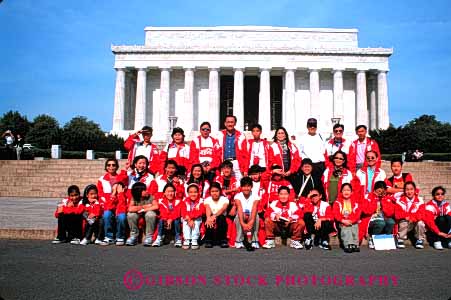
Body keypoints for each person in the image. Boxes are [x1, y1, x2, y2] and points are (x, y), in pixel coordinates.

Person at [360, 181, 396, 248]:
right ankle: (372, 239)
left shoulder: (386, 198)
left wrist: (383, 201)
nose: (380, 193)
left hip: (383, 217)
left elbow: (389, 213)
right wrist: (375, 199)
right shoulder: (368, 197)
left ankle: (385, 239)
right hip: (371, 218)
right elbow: (366, 211)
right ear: (375, 190)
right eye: (379, 191)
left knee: (391, 222)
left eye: (382, 192)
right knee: (381, 223)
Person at [394, 181, 426, 249]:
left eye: (411, 189)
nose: (409, 192)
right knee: (403, 222)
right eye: (407, 189)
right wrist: (406, 216)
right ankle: (401, 239)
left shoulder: (420, 200)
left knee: (420, 223)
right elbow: (397, 214)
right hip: (406, 223)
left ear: (414, 190)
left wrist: (412, 218)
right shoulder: (399, 200)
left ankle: (419, 240)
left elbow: (421, 214)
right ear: (404, 191)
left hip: (415, 222)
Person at [126, 182, 159, 246]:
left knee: (150, 214)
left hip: (147, 214)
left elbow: (156, 206)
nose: (147, 191)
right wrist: (144, 207)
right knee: (131, 215)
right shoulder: (134, 198)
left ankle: (149, 236)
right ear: (139, 192)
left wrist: (144, 210)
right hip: (138, 214)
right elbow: (130, 209)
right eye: (145, 190)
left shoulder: (150, 197)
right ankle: (134, 236)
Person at [216, 115, 247, 180]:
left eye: (232, 122)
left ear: (235, 123)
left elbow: (245, 153)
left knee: (238, 183)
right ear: (225, 123)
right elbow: (216, 152)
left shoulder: (241, 135)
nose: (230, 124)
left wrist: (245, 169)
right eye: (228, 122)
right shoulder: (219, 135)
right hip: (224, 163)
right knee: (224, 183)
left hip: (236, 163)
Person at [333, 183, 361, 253]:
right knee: (346, 227)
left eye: (348, 190)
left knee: (354, 227)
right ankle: (348, 244)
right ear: (341, 192)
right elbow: (336, 214)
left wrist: (352, 221)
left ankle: (355, 244)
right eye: (344, 190)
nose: (346, 192)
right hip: (342, 221)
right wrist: (343, 220)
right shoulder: (337, 202)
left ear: (351, 192)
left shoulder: (355, 202)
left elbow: (357, 213)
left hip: (352, 221)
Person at [234, 177, 260, 250]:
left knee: (256, 217)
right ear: (241, 187)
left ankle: (254, 240)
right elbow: (239, 208)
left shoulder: (255, 196)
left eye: (248, 186)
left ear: (251, 187)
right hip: (241, 214)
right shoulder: (237, 196)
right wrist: (243, 223)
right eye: (244, 186)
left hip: (252, 214)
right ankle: (239, 240)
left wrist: (251, 222)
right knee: (238, 216)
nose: (246, 188)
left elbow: (254, 208)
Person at [100, 182, 128, 246]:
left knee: (121, 216)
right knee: (107, 213)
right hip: (113, 215)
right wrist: (114, 193)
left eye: (118, 188)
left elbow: (122, 208)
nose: (116, 189)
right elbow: (108, 207)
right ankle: (109, 237)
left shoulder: (125, 196)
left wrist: (121, 194)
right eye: (115, 188)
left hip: (121, 213)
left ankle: (120, 237)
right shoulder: (110, 196)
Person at [423, 186, 451, 250]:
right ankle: (437, 241)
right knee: (441, 219)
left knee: (448, 217)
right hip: (433, 230)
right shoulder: (429, 205)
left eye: (442, 194)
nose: (440, 196)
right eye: (437, 194)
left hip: (444, 229)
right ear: (433, 195)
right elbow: (430, 222)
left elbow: (449, 218)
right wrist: (438, 232)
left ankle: (448, 239)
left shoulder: (446, 204)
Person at [204, 182, 229, 248]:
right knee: (207, 219)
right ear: (210, 192)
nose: (214, 193)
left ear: (220, 191)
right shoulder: (207, 200)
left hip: (221, 217)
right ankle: (209, 240)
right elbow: (208, 208)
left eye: (216, 191)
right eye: (212, 191)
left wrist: (214, 216)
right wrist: (209, 217)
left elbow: (223, 209)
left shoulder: (224, 199)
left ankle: (223, 240)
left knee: (221, 218)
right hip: (211, 216)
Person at [180, 183, 205, 250]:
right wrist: (189, 219)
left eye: (195, 192)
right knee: (185, 223)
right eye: (190, 192)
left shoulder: (201, 200)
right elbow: (183, 211)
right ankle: (187, 240)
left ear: (198, 192)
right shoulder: (184, 200)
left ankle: (194, 240)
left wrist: (191, 218)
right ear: (187, 193)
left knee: (196, 222)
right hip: (187, 218)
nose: (193, 194)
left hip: (197, 218)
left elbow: (201, 211)